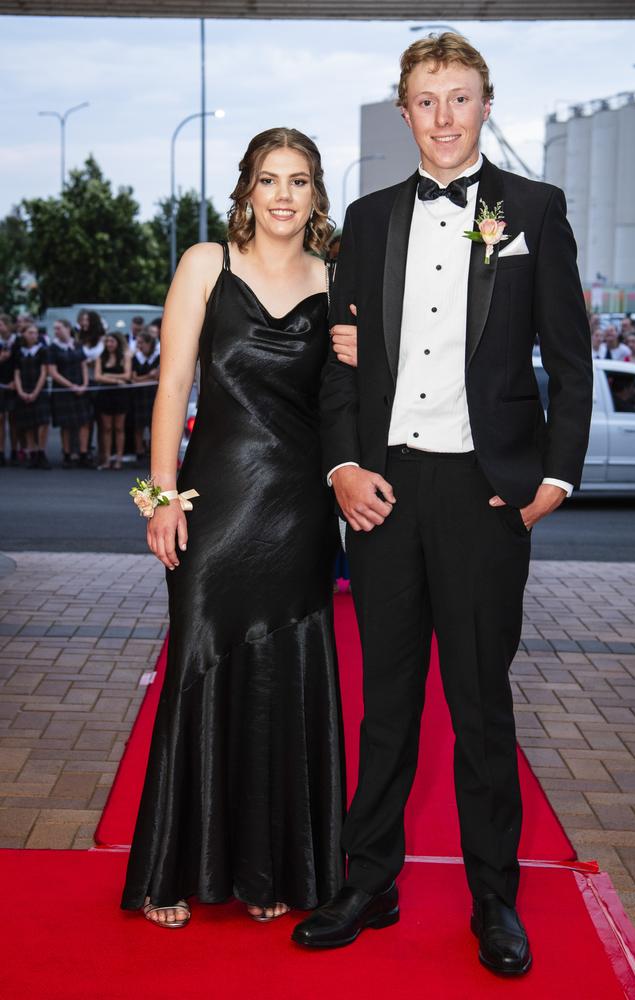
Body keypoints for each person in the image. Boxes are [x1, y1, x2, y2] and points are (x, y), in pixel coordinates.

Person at [293, 33, 592, 977]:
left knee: (480, 707)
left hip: (486, 489)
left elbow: (571, 361)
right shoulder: (370, 220)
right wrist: (341, 467)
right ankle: (367, 880)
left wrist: (554, 478)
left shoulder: (533, 209)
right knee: (386, 703)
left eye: (460, 98)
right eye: (426, 101)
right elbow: (342, 367)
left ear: (486, 104)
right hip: (386, 486)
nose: (444, 118)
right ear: (405, 111)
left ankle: (495, 901)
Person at [120, 128, 357, 930]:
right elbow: (172, 387)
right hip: (215, 503)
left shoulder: (336, 280)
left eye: (298, 181)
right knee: (198, 662)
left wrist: (367, 352)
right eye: (268, 180)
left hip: (300, 510)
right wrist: (160, 498)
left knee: (285, 679)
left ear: (316, 193)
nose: (283, 195)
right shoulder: (205, 264)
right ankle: (171, 872)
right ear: (246, 190)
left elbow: (352, 402)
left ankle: (270, 869)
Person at [48, 320, 94, 468]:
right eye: (55, 329)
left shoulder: (77, 345)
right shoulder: (53, 348)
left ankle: (83, 454)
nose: (56, 331)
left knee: (84, 422)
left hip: (81, 388)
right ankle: (67, 455)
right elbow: (53, 373)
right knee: (65, 425)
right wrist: (72, 386)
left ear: (67, 329)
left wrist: (85, 384)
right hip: (64, 391)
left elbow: (84, 366)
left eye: (59, 328)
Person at [12, 323, 51, 469]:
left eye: (35, 333)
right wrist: (20, 391)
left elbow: (43, 373)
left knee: (42, 422)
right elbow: (16, 373)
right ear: (23, 334)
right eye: (30, 332)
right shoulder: (19, 351)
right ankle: (32, 452)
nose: (33, 335)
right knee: (28, 423)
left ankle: (41, 451)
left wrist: (36, 391)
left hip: (38, 389)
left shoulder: (43, 350)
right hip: (24, 388)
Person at [94, 331, 131, 469]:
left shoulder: (125, 357)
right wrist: (115, 379)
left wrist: (107, 375)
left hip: (121, 396)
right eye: (107, 341)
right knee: (107, 428)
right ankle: (107, 458)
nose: (109, 344)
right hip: (105, 395)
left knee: (119, 427)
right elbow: (98, 376)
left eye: (112, 341)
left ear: (117, 343)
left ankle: (119, 459)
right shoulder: (101, 358)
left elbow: (127, 375)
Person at [130, 330, 160, 461]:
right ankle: (139, 451)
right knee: (139, 425)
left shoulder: (158, 357)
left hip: (154, 394)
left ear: (149, 343)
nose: (139, 346)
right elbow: (133, 378)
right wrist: (149, 376)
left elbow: (158, 376)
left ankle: (153, 452)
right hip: (139, 395)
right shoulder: (136, 358)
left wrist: (142, 378)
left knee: (154, 424)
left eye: (141, 343)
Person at [0, 314, 16, 466]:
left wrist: (15, 381)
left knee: (13, 419)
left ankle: (15, 450)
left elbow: (19, 364)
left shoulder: (16, 341)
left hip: (13, 383)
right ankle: (1, 451)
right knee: (0, 419)